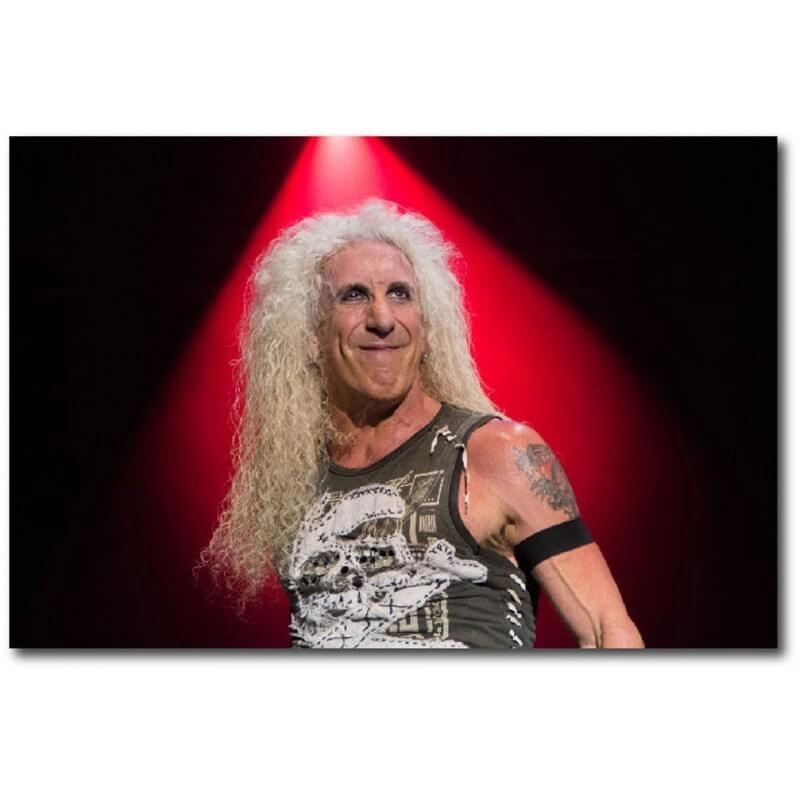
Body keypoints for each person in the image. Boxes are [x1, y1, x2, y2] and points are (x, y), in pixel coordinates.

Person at [200, 198, 644, 649]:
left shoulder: (495, 454)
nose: (382, 318)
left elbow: (608, 631)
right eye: (354, 295)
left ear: (427, 330)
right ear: (311, 338)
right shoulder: (295, 484)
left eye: (400, 294)